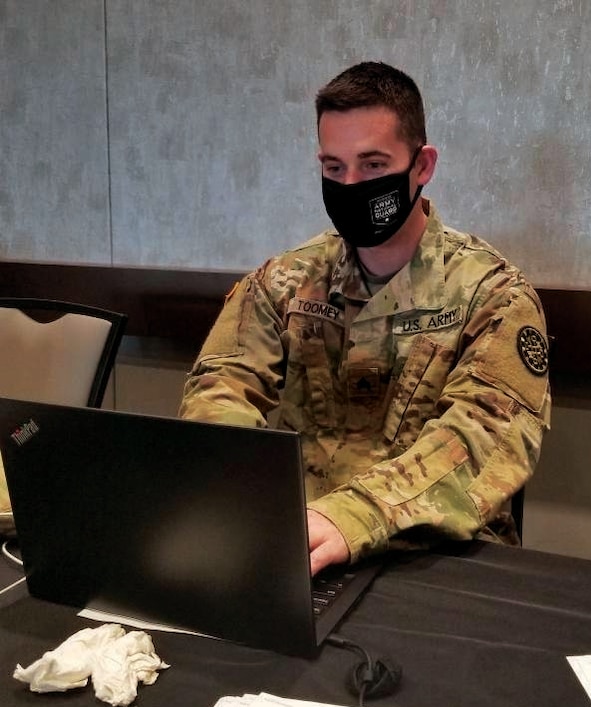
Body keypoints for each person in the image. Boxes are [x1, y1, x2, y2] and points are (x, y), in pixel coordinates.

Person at [179, 61, 551, 576]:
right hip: (302, 554)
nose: (351, 184)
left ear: (421, 167)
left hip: (436, 562)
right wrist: (236, 492)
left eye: (373, 166)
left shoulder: (494, 295)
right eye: (334, 168)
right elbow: (220, 390)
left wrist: (352, 516)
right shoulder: (283, 283)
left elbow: (480, 440)